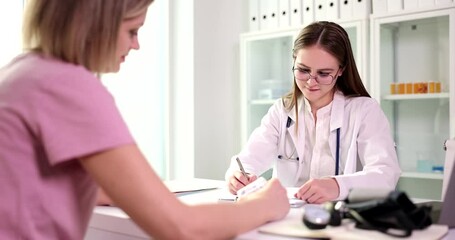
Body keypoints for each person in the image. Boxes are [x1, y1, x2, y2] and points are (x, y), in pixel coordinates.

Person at [0, 0, 290, 239]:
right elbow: (181, 227)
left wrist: (132, 193)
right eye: (132, 30)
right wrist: (264, 205)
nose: (136, 44)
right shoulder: (67, 85)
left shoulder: (21, 73)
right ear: (93, 25)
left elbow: (40, 184)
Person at [225, 21, 401, 204]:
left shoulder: (364, 110)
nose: (311, 82)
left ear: (341, 70)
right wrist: (237, 177)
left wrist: (337, 186)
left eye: (324, 74)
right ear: (294, 61)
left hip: (341, 218)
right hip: (287, 216)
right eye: (303, 70)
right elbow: (248, 159)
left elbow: (385, 175)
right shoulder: (282, 111)